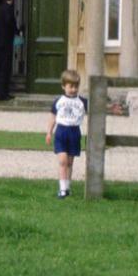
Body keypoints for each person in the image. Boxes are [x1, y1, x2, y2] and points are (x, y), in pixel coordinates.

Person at [45, 68, 87, 198]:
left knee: (69, 162)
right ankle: (62, 189)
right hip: (62, 131)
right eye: (71, 86)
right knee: (62, 161)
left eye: (76, 86)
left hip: (74, 132)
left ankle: (67, 187)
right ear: (64, 86)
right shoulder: (59, 101)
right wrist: (49, 132)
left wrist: (110, 108)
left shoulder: (82, 102)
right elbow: (52, 117)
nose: (73, 89)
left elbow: (97, 108)